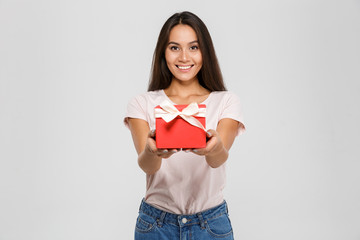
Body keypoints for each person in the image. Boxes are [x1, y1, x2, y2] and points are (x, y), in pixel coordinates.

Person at [124, 11, 245, 240]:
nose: (184, 57)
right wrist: (153, 150)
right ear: (163, 52)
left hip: (211, 225)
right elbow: (148, 166)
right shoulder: (143, 103)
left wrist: (214, 147)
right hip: (156, 224)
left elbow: (218, 159)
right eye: (174, 47)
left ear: (205, 52)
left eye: (193, 47)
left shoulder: (226, 101)